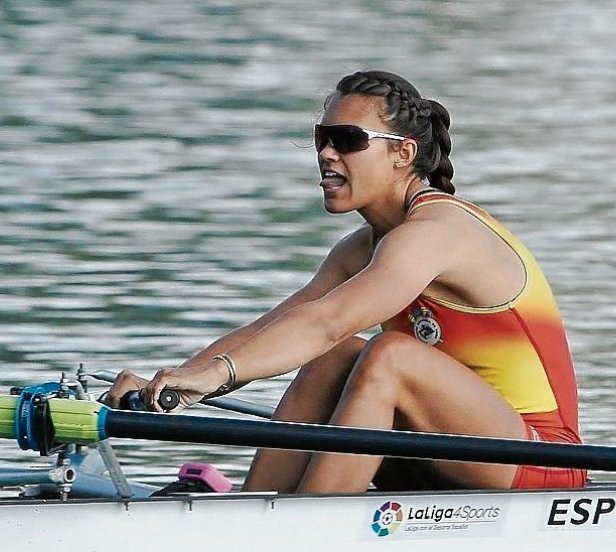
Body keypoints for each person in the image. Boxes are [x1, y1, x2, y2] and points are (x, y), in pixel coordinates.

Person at [106, 70, 584, 494]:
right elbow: (282, 326)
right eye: (322, 138)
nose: (327, 154)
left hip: (540, 456)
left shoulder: (438, 232)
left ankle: (303, 527)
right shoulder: (361, 249)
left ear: (403, 153)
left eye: (348, 139)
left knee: (389, 356)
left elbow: (327, 322)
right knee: (334, 356)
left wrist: (214, 376)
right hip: (444, 444)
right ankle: (254, 507)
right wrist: (169, 384)